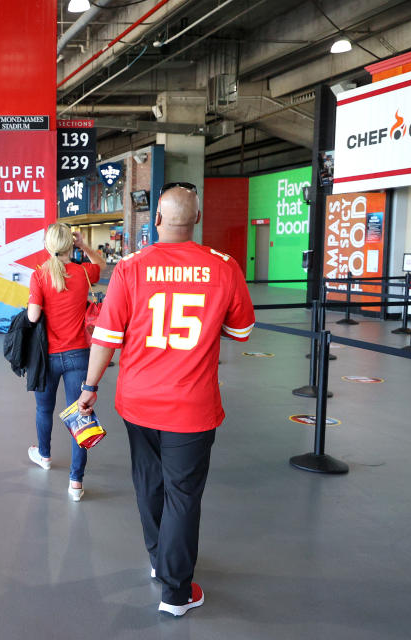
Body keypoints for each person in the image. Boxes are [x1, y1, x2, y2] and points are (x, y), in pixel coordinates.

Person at [77, 184, 255, 616]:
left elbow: (106, 336)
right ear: (196, 221)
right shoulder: (224, 267)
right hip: (192, 407)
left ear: (156, 220)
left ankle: (160, 561)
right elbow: (241, 331)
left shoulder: (130, 267)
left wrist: (89, 386)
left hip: (138, 403)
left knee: (150, 485)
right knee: (182, 494)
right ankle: (176, 591)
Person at [26, 222, 106, 502]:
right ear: (70, 245)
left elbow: (33, 317)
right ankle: (76, 482)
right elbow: (102, 264)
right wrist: (84, 246)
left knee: (43, 409)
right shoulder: (84, 271)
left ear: (48, 245)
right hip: (78, 355)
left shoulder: (39, 275)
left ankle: (45, 455)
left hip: (47, 356)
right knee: (80, 415)